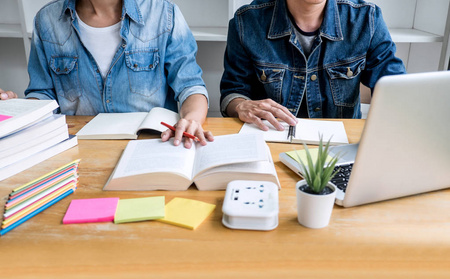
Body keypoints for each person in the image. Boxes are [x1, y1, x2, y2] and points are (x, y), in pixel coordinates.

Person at [0, 0, 213, 148]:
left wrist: (192, 119)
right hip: (78, 147)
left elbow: (190, 86)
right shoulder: (46, 20)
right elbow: (43, 94)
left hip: (152, 143)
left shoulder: (164, 14)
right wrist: (15, 110)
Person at [220, 0, 406, 131]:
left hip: (340, 146)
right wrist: (241, 105)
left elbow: (395, 88)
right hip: (270, 139)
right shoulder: (246, 22)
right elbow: (233, 91)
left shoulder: (366, 18)